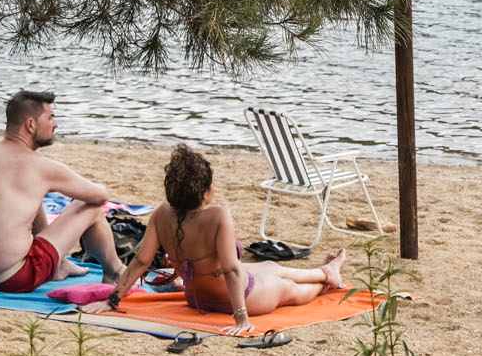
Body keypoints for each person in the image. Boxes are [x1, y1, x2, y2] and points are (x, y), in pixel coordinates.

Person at [107, 144, 345, 336]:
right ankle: (325, 279)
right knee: (289, 288)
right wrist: (241, 318)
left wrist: (113, 300)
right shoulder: (217, 215)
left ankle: (326, 271)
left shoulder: (161, 213)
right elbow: (231, 269)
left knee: (269, 267)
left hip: (197, 300)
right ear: (206, 190)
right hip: (246, 299)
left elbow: (140, 261)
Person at [0, 90, 126, 292]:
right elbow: (100, 196)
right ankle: (115, 271)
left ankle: (59, 264)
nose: (56, 124)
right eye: (51, 117)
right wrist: (100, 185)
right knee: (90, 207)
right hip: (13, 277)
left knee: (30, 197)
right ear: (30, 125)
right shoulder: (39, 166)